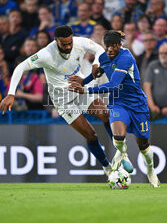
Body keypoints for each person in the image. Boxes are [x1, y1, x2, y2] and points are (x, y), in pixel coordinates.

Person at [0, 25, 133, 178]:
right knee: (91, 135)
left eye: (70, 42)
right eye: (64, 44)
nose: (69, 46)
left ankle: (122, 156)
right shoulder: (46, 55)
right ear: (56, 41)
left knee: (106, 115)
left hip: (79, 89)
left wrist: (96, 63)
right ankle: (108, 168)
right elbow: (20, 67)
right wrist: (11, 94)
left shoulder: (79, 42)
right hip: (62, 100)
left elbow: (98, 49)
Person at [69, 30, 160, 187]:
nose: (110, 49)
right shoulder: (104, 57)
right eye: (107, 46)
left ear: (120, 45)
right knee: (118, 137)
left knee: (143, 146)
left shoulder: (126, 58)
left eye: (113, 46)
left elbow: (113, 85)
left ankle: (151, 170)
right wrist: (84, 81)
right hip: (118, 102)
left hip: (137, 104)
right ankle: (122, 154)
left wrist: (86, 89)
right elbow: (99, 72)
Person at [144, 43, 167, 120]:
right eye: (161, 53)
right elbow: (147, 87)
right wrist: (152, 105)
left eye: (165, 53)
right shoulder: (153, 65)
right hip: (154, 107)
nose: (163, 55)